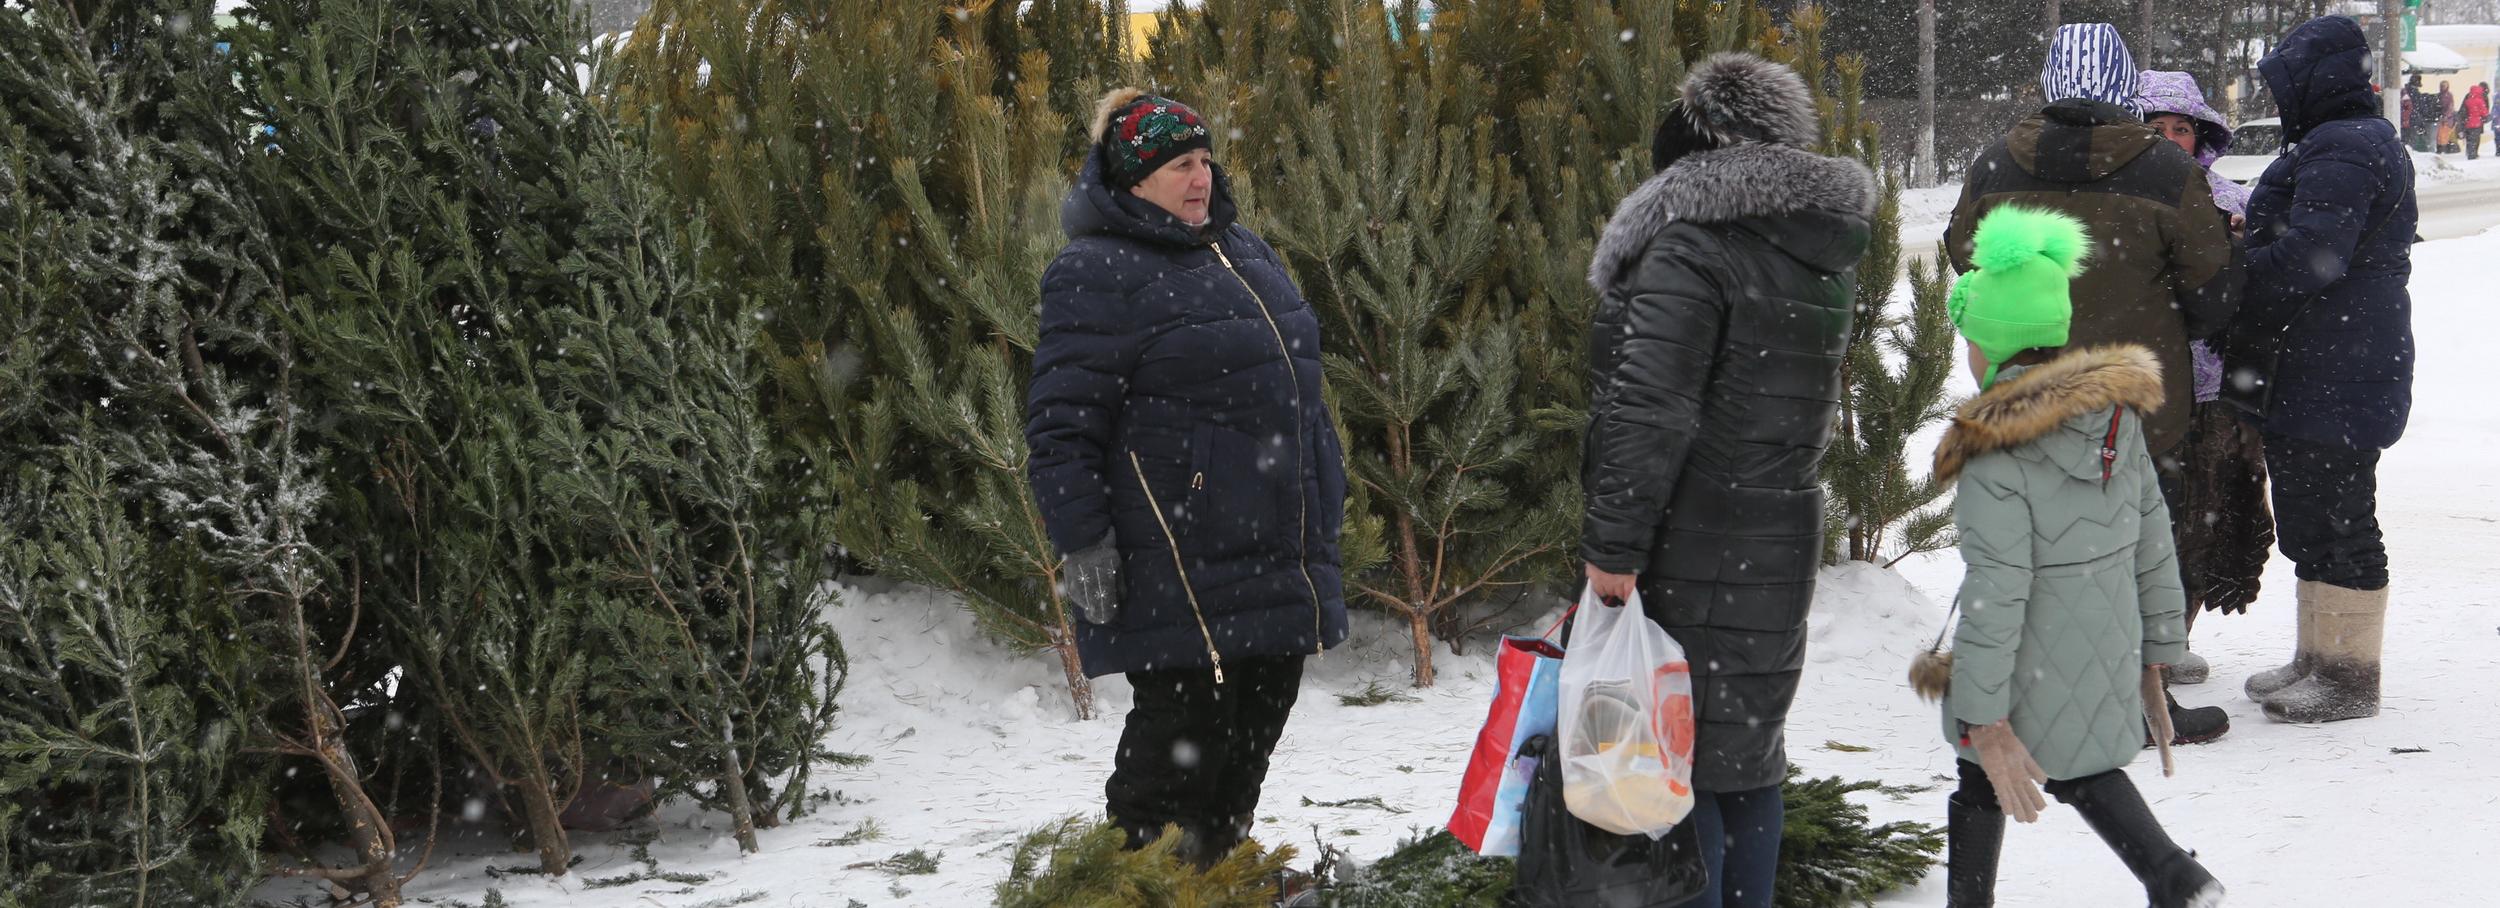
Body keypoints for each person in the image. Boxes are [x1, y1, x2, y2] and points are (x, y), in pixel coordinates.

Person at [1024, 87, 1351, 863]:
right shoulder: (1096, 270)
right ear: (1136, 177)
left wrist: (1326, 477)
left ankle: (1213, 880)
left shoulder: (1242, 249)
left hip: (1276, 544)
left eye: (1204, 159)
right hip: (1181, 557)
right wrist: (1084, 541)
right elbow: (1062, 423)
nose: (1199, 177)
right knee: (1174, 767)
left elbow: (1297, 376)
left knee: (1244, 755)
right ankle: (1136, 885)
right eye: (1179, 164)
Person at [1581, 53, 1874, 908]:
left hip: (1689, 536)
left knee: (1677, 770)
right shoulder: (1813, 248)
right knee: (1744, 761)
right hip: (1776, 536)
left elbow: (1651, 409)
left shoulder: (1693, 248)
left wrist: (1613, 544)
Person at [1946, 23, 2240, 744]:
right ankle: (2141, 705)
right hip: (2137, 400)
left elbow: (1963, 256)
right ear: (2121, 85)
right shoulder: (2169, 173)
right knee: (2138, 549)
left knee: (2028, 551)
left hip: (2027, 391)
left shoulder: (1994, 164)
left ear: (2050, 81)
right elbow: (2214, 294)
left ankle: (2025, 696)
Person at [1926, 204, 2225, 908]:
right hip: (2100, 630)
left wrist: (1981, 707)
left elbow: (1999, 587)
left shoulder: (1993, 450)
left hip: (2026, 648)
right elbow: (2155, 535)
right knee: (2082, 764)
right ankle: (2176, 877)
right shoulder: (2112, 417)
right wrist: (2158, 645)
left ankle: (1978, 902)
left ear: (1987, 348)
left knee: (1982, 766)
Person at [2225, 15, 2417, 724]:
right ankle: (2316, 656)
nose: (2277, 99)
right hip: (2320, 359)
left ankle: (2348, 674)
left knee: (2341, 519)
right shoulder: (2335, 141)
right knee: (2311, 513)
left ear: (2315, 81)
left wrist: (2233, 269)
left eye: (2285, 84)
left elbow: (2316, 254)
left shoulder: (2347, 144)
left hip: (2339, 362)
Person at [2135, 70, 2273, 687]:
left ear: (2201, 136)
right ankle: (2136, 638)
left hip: (2216, 391)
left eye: (2181, 128)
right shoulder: (2121, 200)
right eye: (2154, 128)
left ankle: (2176, 633)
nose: (2169, 139)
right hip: (2145, 385)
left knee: (2205, 513)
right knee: (2142, 516)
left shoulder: (2233, 200)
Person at [2463, 82, 2489, 160]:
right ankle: (2473, 154)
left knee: (2470, 138)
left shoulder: (2467, 100)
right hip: (2477, 122)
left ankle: (2469, 152)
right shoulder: (2480, 101)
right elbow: (2484, 112)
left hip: (2468, 122)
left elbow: (2464, 111)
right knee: (2475, 138)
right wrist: (2486, 116)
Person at [2437, 80, 2459, 154]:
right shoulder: (2439, 95)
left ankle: (2445, 149)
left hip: (2447, 119)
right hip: (2441, 118)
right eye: (2442, 85)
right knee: (2441, 135)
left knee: (2445, 135)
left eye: (2445, 85)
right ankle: (2442, 149)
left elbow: (2450, 107)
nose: (2443, 87)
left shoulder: (2449, 95)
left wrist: (2446, 116)